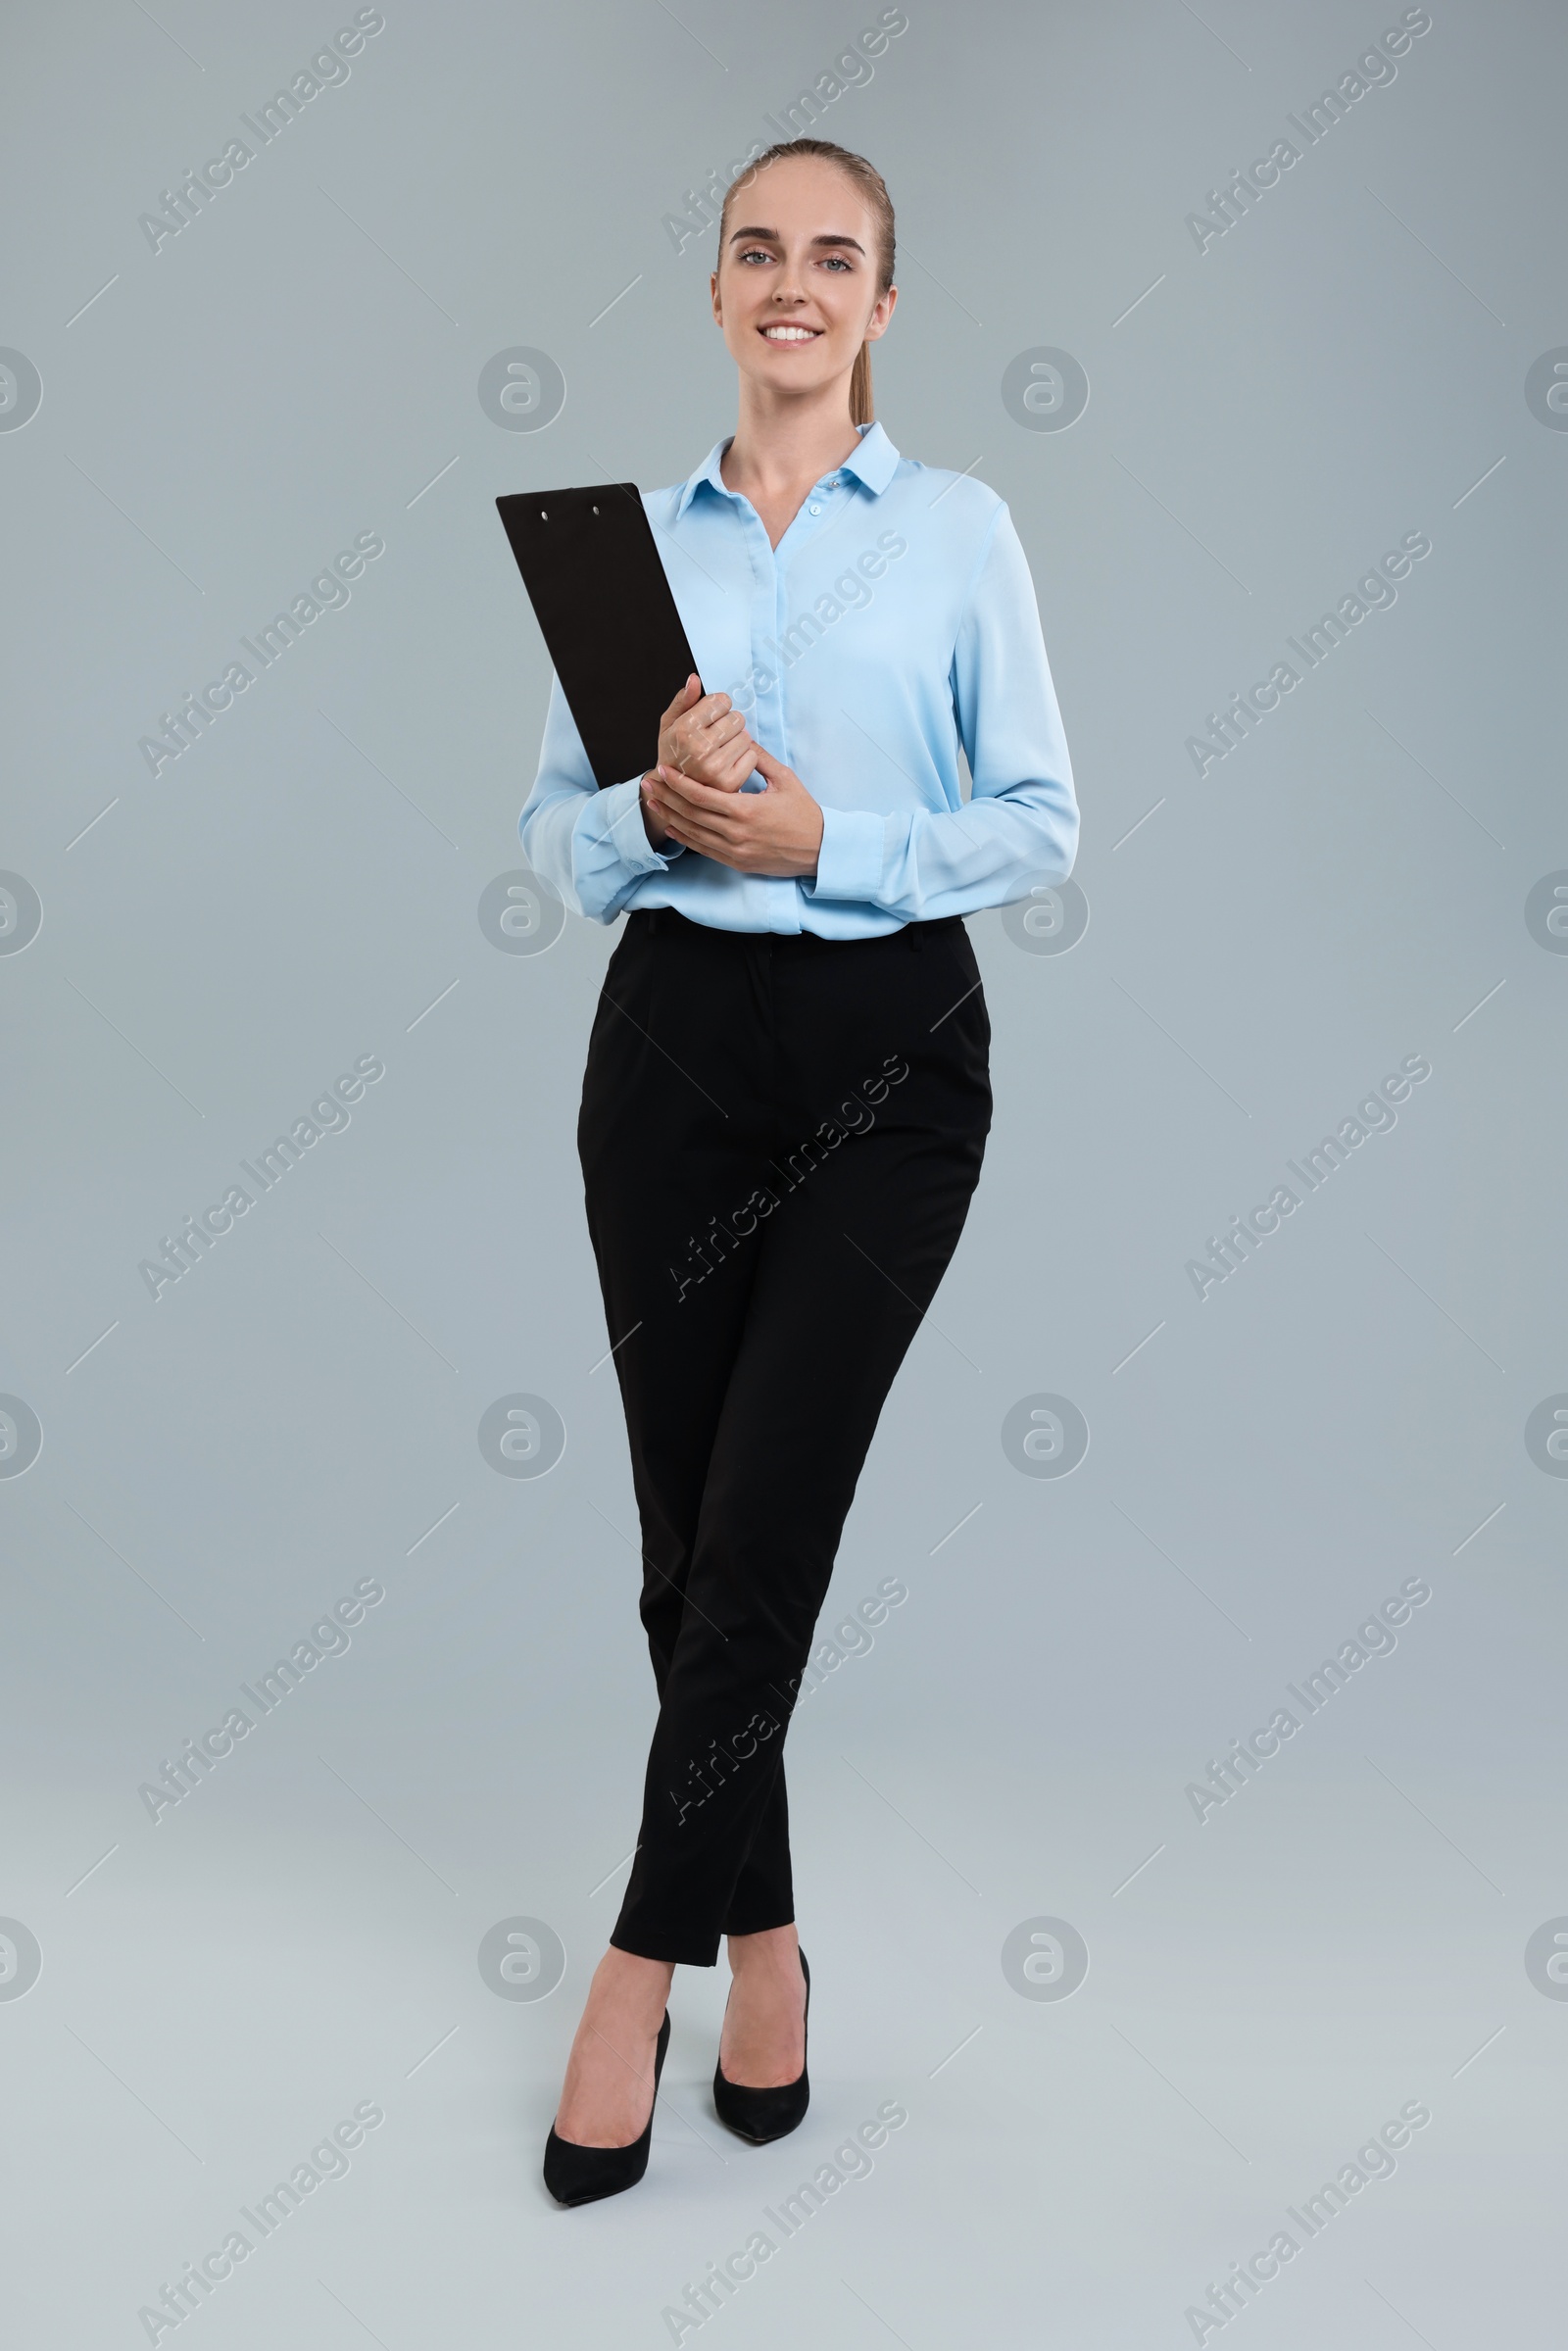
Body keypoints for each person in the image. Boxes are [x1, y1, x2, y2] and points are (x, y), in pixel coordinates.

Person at [518, 136, 1079, 2204]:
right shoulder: (620, 546)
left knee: (762, 1527)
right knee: (684, 1546)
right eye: (756, 249)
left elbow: (1036, 819)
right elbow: (553, 833)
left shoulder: (953, 528)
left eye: (830, 258)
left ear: (882, 303)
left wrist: (822, 844)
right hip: (665, 1050)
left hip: (884, 1058)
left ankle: (634, 1963)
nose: (790, 284)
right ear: (715, 287)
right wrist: (648, 822)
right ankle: (768, 1944)